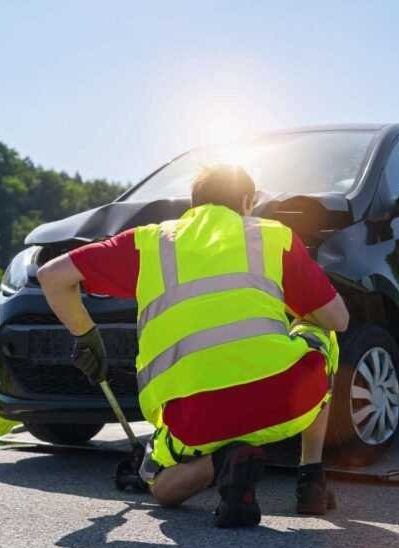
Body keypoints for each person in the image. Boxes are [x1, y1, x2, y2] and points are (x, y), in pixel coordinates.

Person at [37, 164, 349, 528]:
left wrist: (85, 335)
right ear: (247, 202)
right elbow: (338, 319)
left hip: (192, 419)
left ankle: (224, 462)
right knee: (319, 331)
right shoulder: (272, 236)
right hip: (280, 401)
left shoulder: (149, 242)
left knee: (162, 488)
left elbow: (52, 276)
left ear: (193, 202)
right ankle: (311, 478)